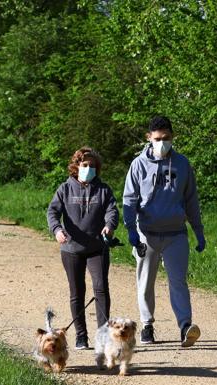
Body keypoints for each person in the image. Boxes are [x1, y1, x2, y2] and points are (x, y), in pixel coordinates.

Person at [122, 115, 206, 347]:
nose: (162, 142)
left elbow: (191, 200)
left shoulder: (182, 164)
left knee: (178, 281)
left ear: (172, 137)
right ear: (149, 138)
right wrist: (131, 230)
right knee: (145, 281)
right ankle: (147, 325)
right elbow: (129, 199)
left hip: (175, 234)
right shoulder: (138, 165)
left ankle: (185, 326)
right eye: (158, 138)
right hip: (146, 234)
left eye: (167, 138)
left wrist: (198, 231)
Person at [47, 147, 119, 350]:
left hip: (97, 247)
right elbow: (52, 212)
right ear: (76, 166)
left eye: (92, 166)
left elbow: (112, 210)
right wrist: (57, 229)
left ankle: (103, 336)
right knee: (77, 291)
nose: (88, 169)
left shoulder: (103, 190)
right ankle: (81, 335)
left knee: (101, 288)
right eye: (85, 165)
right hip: (71, 249)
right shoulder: (65, 189)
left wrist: (109, 225)